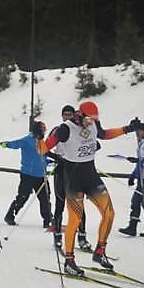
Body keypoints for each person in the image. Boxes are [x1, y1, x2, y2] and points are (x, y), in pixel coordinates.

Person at [37, 100, 140, 276]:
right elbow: (43, 149)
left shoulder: (92, 123)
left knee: (109, 213)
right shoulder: (65, 129)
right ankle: (69, 261)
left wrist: (128, 128)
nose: (91, 122)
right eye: (89, 119)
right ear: (80, 115)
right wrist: (38, 136)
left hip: (91, 176)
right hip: (73, 179)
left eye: (94, 119)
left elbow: (104, 134)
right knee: (75, 220)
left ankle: (100, 252)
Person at [48, 105, 90, 251]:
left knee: (79, 206)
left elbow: (94, 144)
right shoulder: (58, 130)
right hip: (61, 169)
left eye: (69, 115)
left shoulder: (80, 130)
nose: (67, 117)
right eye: (65, 115)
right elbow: (43, 148)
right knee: (59, 203)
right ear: (61, 116)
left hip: (76, 171)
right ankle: (58, 236)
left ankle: (82, 237)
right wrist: (56, 157)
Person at [0, 121, 52, 228]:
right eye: (43, 130)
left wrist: (49, 162)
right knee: (23, 196)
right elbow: (15, 144)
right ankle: (10, 216)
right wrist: (6, 144)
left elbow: (42, 157)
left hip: (41, 176)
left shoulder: (42, 142)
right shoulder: (27, 140)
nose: (44, 133)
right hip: (28, 175)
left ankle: (48, 220)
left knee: (45, 198)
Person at [119, 122, 144, 237]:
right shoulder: (142, 143)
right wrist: (133, 175)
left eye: (139, 131)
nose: (137, 133)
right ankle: (134, 226)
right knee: (137, 201)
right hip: (143, 176)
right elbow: (140, 162)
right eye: (136, 131)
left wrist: (139, 161)